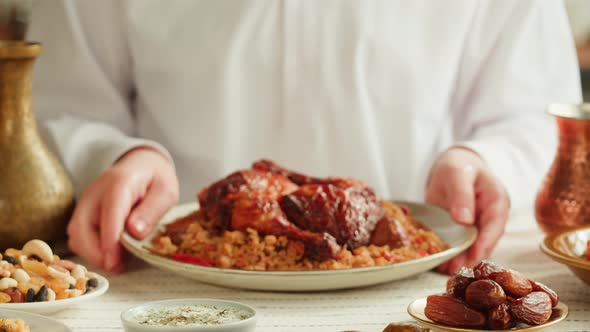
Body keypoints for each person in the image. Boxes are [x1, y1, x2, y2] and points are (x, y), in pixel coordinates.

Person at [29, 0, 581, 274]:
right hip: (173, 279)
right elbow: (53, 103)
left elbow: (537, 116)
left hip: (420, 279)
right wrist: (119, 156)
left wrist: (481, 161)